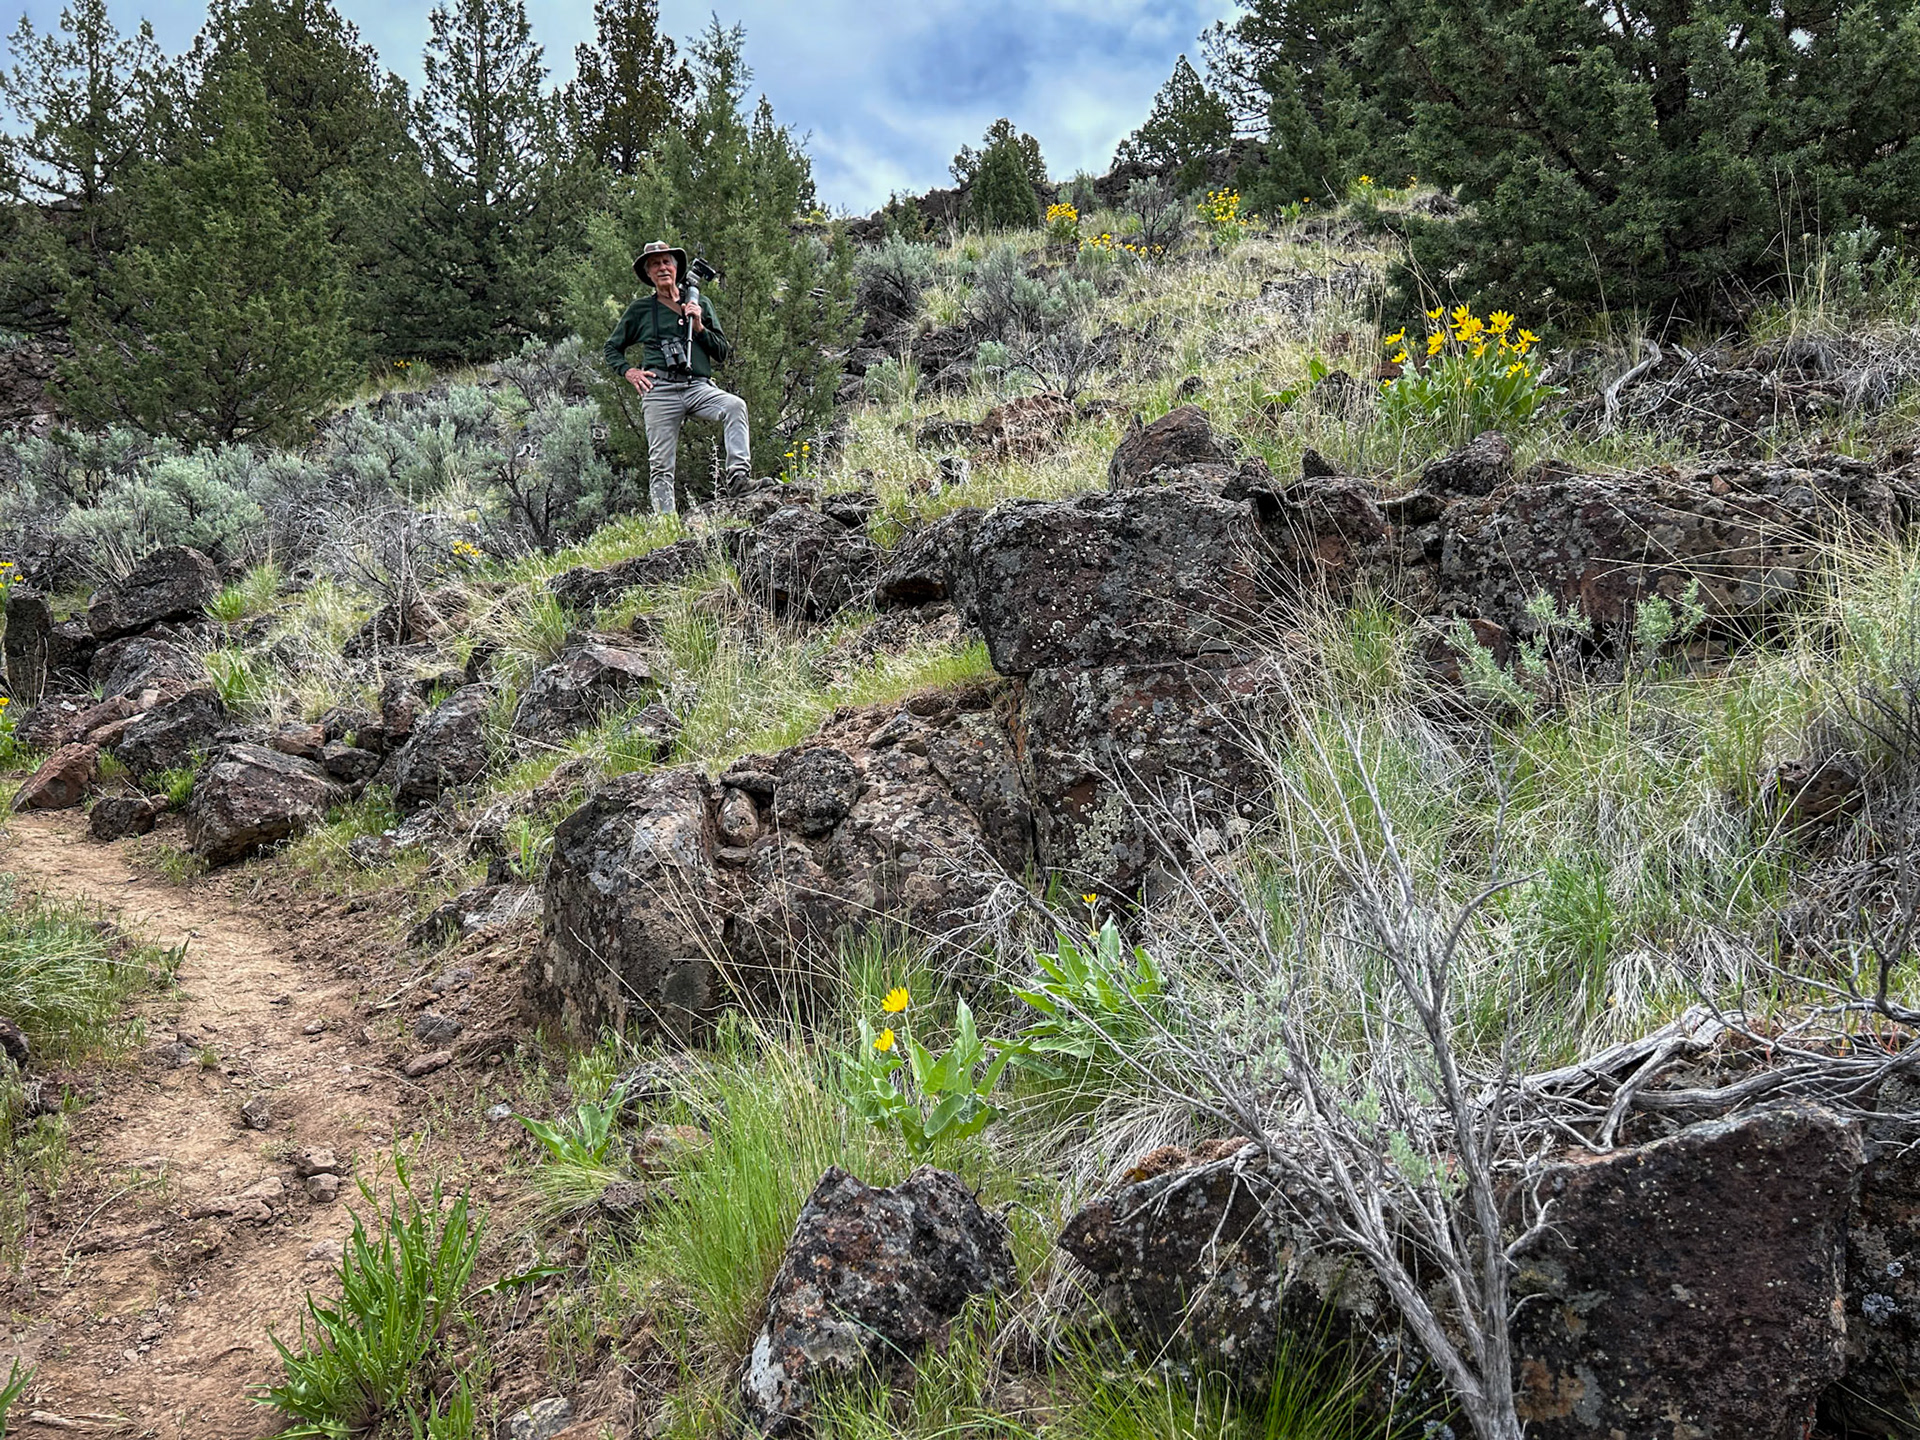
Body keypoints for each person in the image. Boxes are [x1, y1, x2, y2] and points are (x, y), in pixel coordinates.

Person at [603, 240, 751, 514]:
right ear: (648, 273)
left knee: (735, 406)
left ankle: (739, 480)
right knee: (660, 463)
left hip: (698, 386)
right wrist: (630, 371)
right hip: (659, 390)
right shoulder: (640, 310)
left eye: (666, 262)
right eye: (655, 264)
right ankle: (666, 522)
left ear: (676, 267)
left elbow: (722, 352)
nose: (662, 268)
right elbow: (611, 347)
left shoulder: (699, 302)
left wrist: (700, 326)